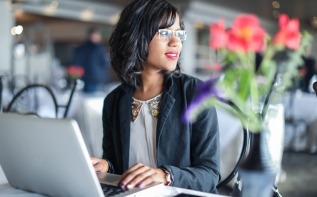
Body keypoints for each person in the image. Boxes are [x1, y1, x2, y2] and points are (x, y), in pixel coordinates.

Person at [91, 0, 220, 193]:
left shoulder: (195, 93)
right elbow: (119, 167)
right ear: (137, 35)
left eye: (179, 33)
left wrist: (165, 175)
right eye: (165, 33)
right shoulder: (114, 101)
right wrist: (106, 167)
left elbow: (210, 175)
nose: (176, 42)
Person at [72, 27, 109, 93]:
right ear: (94, 35)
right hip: (96, 78)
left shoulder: (80, 48)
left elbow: (76, 63)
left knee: (86, 98)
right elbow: (105, 63)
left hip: (83, 78)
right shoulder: (98, 48)